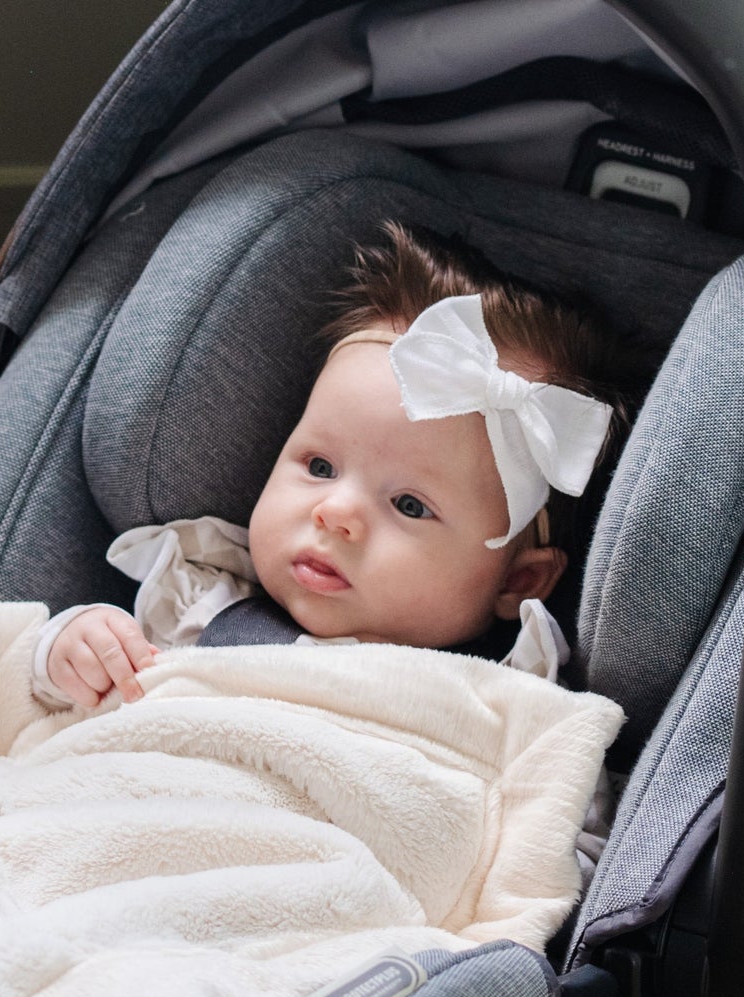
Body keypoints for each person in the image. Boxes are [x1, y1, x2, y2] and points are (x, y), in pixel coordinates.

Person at [34, 220, 636, 710]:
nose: (334, 511)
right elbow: (51, 715)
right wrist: (70, 651)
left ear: (516, 582)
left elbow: (562, 831)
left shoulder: (514, 708)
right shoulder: (198, 599)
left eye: (409, 505)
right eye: (320, 465)